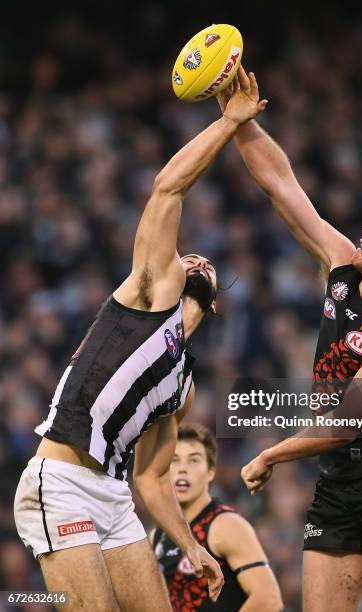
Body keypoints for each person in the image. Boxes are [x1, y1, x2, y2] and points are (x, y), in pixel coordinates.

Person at [13, 70, 268, 612]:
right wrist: (228, 123)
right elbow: (168, 186)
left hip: (114, 495)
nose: (192, 256)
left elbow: (152, 480)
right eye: (185, 253)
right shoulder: (151, 295)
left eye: (204, 261)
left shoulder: (184, 385)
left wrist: (191, 546)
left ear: (215, 300)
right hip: (59, 480)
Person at [218, 67, 362, 612]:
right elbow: (281, 185)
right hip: (336, 482)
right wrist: (238, 121)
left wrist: (272, 453)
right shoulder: (342, 266)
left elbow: (348, 421)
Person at [150, 423, 283, 611]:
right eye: (174, 460)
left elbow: (268, 600)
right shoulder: (157, 535)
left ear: (211, 471)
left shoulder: (226, 525)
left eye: (194, 460)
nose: (182, 469)